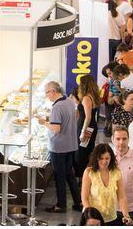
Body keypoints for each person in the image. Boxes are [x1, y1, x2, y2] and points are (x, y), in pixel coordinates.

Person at [36, 81, 81, 213]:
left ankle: (61, 205)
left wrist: (44, 122)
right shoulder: (69, 101)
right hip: (71, 144)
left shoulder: (56, 107)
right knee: (69, 175)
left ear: (53, 91)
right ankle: (78, 202)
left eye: (47, 92)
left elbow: (56, 128)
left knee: (59, 177)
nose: (46, 96)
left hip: (59, 147)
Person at [81, 144, 133, 225]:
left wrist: (126, 215)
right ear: (96, 158)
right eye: (101, 158)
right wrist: (91, 217)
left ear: (111, 158)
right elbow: (84, 198)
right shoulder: (89, 172)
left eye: (107, 158)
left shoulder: (116, 172)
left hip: (111, 218)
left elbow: (122, 197)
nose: (104, 161)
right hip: (93, 220)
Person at [75, 75, 101, 179]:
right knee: (87, 150)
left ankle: (82, 176)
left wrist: (82, 131)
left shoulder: (86, 98)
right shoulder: (92, 96)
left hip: (86, 126)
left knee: (81, 152)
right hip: (90, 126)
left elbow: (88, 116)